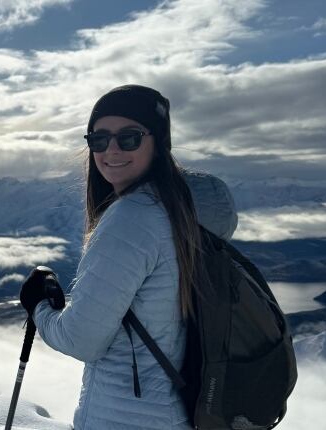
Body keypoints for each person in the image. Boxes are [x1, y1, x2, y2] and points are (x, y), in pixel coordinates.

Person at [19, 84, 238, 430]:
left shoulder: (132, 219)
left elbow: (82, 339)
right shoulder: (181, 211)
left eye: (129, 138)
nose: (112, 150)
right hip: (182, 414)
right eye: (99, 140)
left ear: (159, 143)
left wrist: (39, 308)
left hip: (125, 419)